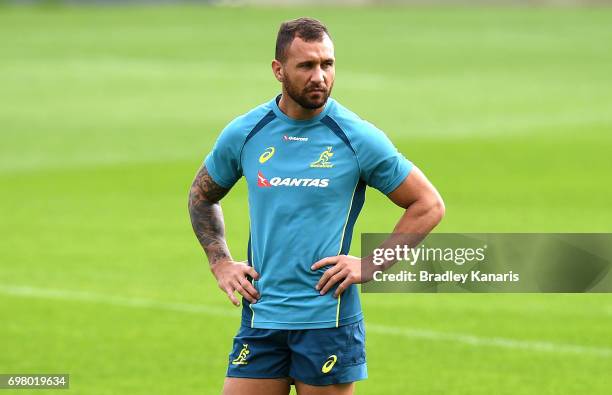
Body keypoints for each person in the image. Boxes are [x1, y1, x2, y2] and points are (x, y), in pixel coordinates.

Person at [188, 17, 444, 395]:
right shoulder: (246, 133)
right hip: (262, 317)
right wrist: (219, 261)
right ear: (278, 70)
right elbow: (201, 196)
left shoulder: (357, 137)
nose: (319, 76)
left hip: (328, 321)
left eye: (327, 64)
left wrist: (373, 263)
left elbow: (428, 203)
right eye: (306, 65)